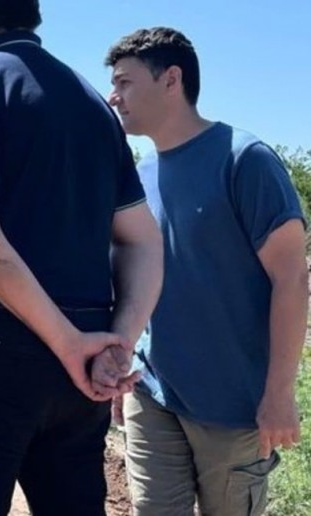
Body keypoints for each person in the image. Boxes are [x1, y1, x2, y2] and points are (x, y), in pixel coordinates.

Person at [0, 1, 164, 514]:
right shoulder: (93, 104)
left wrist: (71, 343)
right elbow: (143, 240)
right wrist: (116, 342)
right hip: (79, 376)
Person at [105, 27, 308, 516]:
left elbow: (293, 278)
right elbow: (134, 278)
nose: (114, 98)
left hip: (233, 405)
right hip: (153, 392)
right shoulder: (139, 176)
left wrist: (278, 394)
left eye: (125, 83)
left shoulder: (244, 160)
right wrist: (121, 357)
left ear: (171, 79)